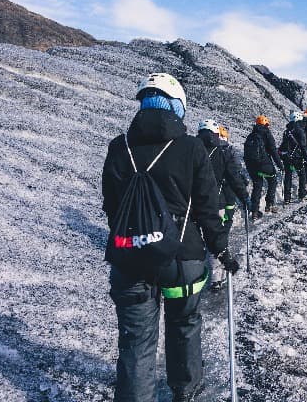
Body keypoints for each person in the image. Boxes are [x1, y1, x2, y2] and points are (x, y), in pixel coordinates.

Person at [102, 73, 239, 402]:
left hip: (132, 258)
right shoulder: (191, 147)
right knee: (185, 324)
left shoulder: (119, 147)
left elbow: (112, 207)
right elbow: (208, 207)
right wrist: (221, 251)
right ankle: (186, 390)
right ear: (177, 106)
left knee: (135, 341)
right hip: (183, 258)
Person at [197, 119, 250, 292]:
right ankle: (216, 279)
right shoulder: (222, 152)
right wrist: (244, 197)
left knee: (195, 240)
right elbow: (234, 178)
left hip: (190, 206)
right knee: (216, 239)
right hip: (215, 202)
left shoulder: (190, 149)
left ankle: (194, 275)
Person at [243, 115, 283, 220]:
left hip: (251, 166)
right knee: (273, 180)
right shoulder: (267, 134)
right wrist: (280, 165)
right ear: (266, 124)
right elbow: (273, 151)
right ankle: (269, 205)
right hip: (264, 165)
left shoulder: (251, 135)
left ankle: (255, 211)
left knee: (257, 185)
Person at [279, 111, 307, 203]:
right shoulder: (300, 130)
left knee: (288, 176)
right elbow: (303, 145)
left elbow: (284, 144)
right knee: (302, 175)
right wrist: (306, 157)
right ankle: (302, 195)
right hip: (297, 156)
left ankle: (287, 198)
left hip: (287, 156)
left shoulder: (287, 131)